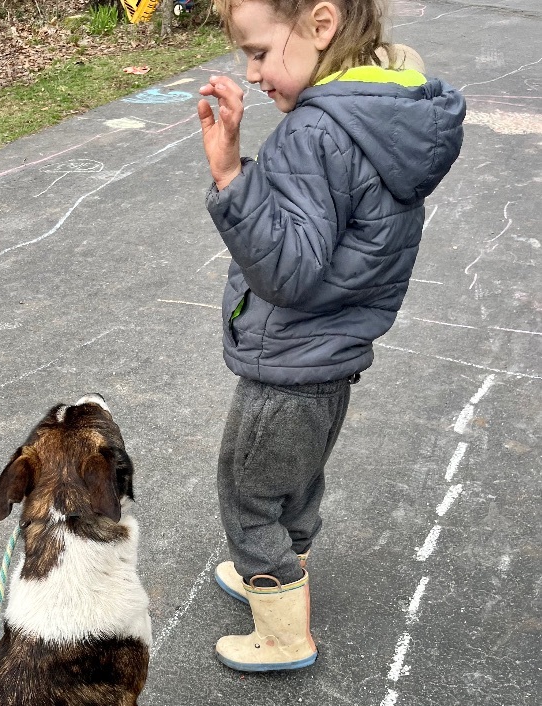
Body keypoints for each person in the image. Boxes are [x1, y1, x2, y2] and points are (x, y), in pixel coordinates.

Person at [197, 0, 465, 672]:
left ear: (321, 25)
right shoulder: (383, 110)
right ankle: (284, 573)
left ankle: (283, 632)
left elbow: (287, 270)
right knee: (297, 479)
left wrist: (231, 175)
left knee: (249, 490)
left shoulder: (315, 133)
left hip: (289, 357)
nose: (253, 73)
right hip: (332, 355)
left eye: (259, 52)